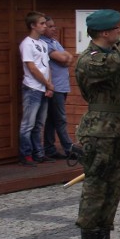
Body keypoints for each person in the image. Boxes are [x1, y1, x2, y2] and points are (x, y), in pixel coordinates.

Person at [75, 9, 120, 239]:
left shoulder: (109, 53)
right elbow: (116, 64)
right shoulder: (90, 59)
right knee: (95, 188)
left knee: (113, 187)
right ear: (105, 32)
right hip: (97, 132)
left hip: (113, 130)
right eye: (117, 29)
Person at [19, 11, 54, 166]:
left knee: (39, 124)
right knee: (28, 124)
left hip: (43, 87)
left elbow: (47, 66)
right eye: (41, 23)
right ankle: (26, 155)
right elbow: (32, 68)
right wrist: (47, 84)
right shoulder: (26, 44)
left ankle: (38, 153)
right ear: (33, 25)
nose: (44, 26)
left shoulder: (43, 44)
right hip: (32, 88)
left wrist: (49, 85)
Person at [42, 16, 75, 159]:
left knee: (52, 119)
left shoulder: (54, 42)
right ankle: (69, 149)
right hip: (54, 87)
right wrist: (64, 58)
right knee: (60, 119)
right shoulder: (44, 44)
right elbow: (63, 59)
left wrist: (65, 58)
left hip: (62, 86)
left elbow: (69, 58)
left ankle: (49, 149)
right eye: (50, 26)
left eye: (54, 26)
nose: (53, 29)